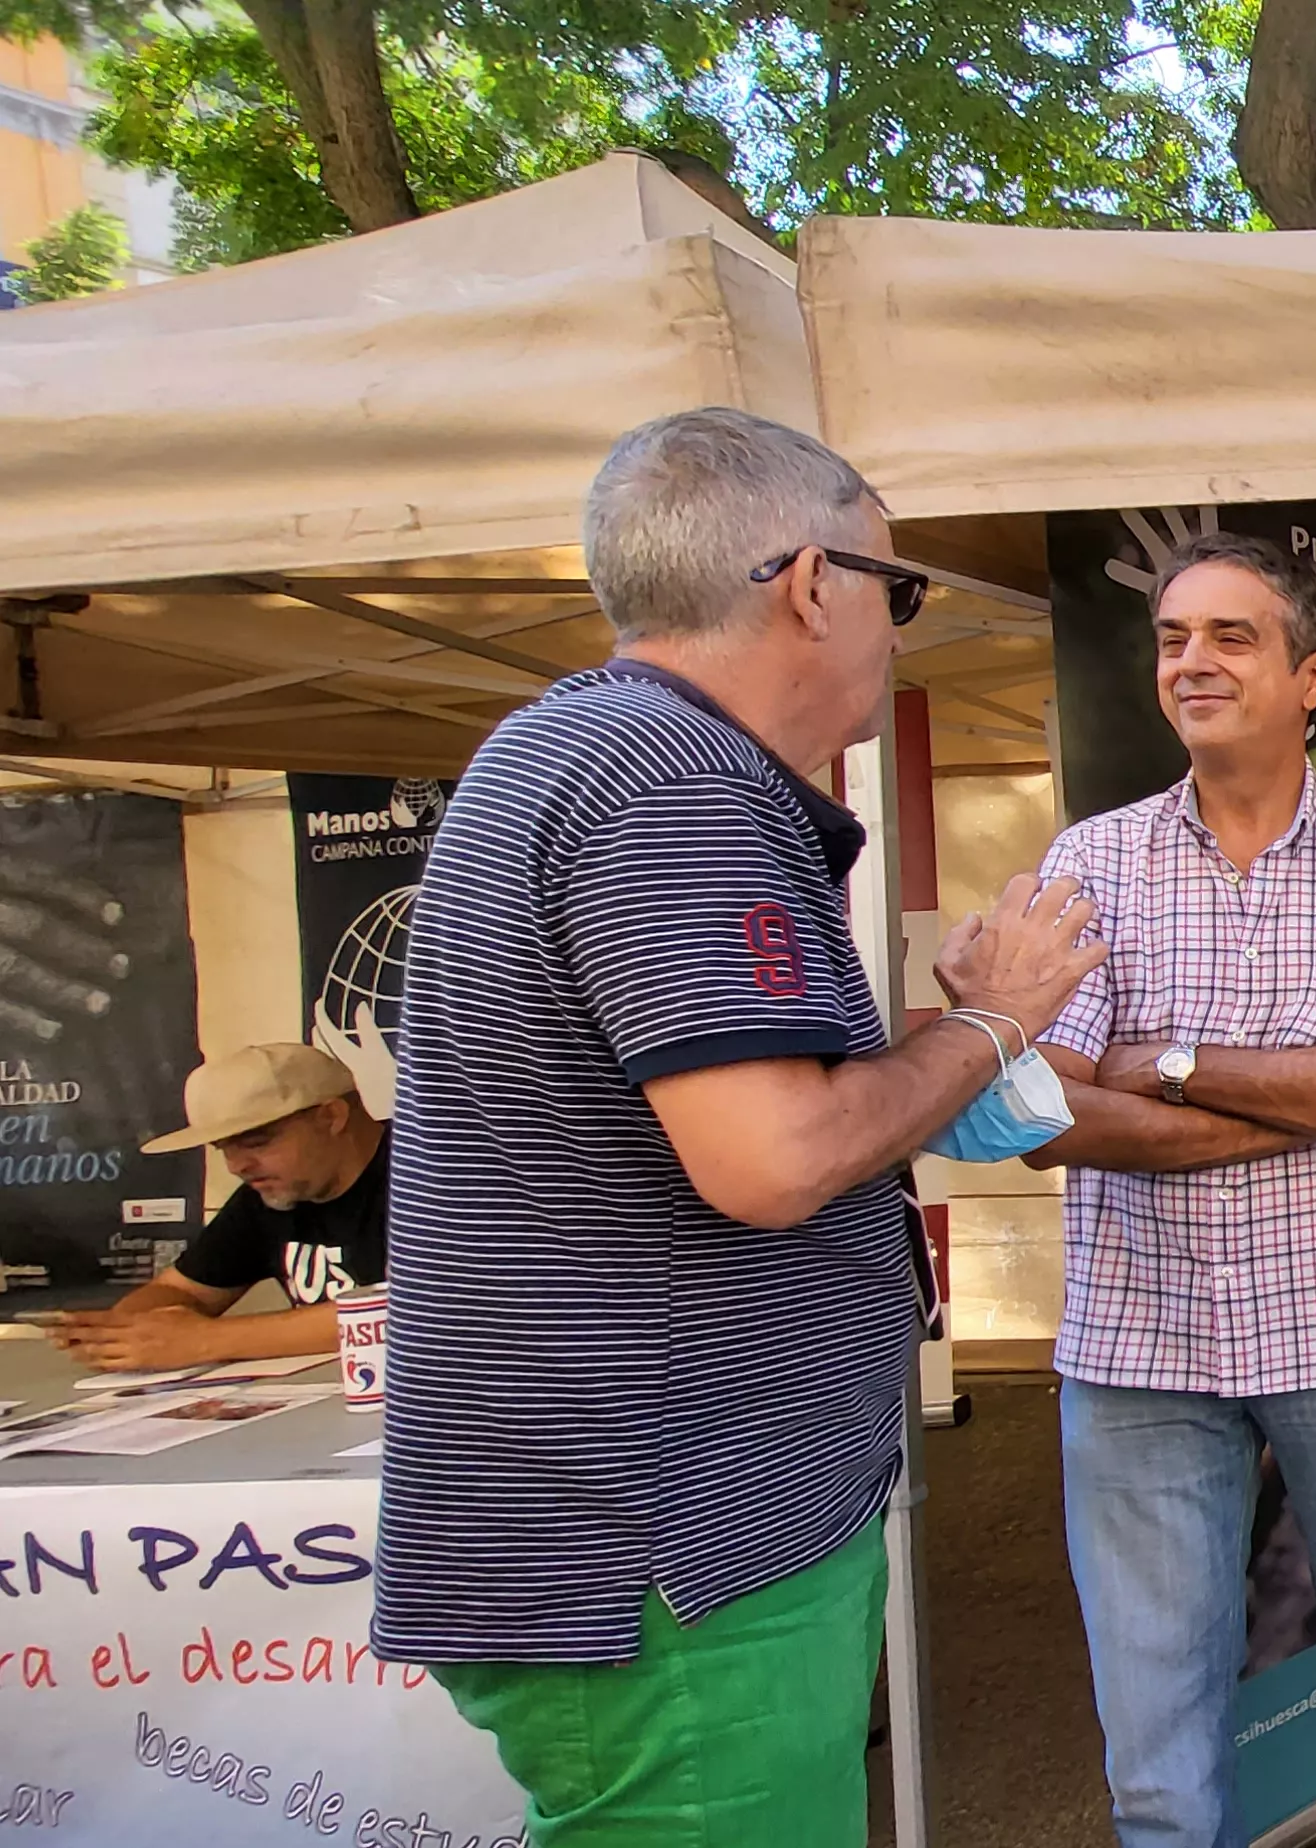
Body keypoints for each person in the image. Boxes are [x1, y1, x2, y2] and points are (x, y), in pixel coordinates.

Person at [376, 407, 1107, 1847]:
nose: (897, 632)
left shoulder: (583, 751)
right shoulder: (674, 784)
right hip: (674, 1531)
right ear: (811, 584)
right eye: (897, 590)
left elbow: (723, 1113)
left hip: (639, 1514)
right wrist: (995, 1024)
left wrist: (951, 1039)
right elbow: (776, 1158)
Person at [1017, 530, 1316, 1848]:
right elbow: (1041, 1116)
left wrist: (1164, 1064)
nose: (1194, 661)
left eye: (1232, 636)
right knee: (1155, 1748)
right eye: (1174, 638)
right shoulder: (1092, 859)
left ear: (1311, 677)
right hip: (1140, 1349)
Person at [53, 1044, 381, 1371]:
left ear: (331, 1117)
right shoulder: (272, 1193)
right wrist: (128, 1332)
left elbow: (407, 1315)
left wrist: (205, 1339)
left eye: (256, 1142)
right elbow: (179, 1289)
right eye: (222, 1148)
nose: (236, 1166)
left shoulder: (412, 1179)